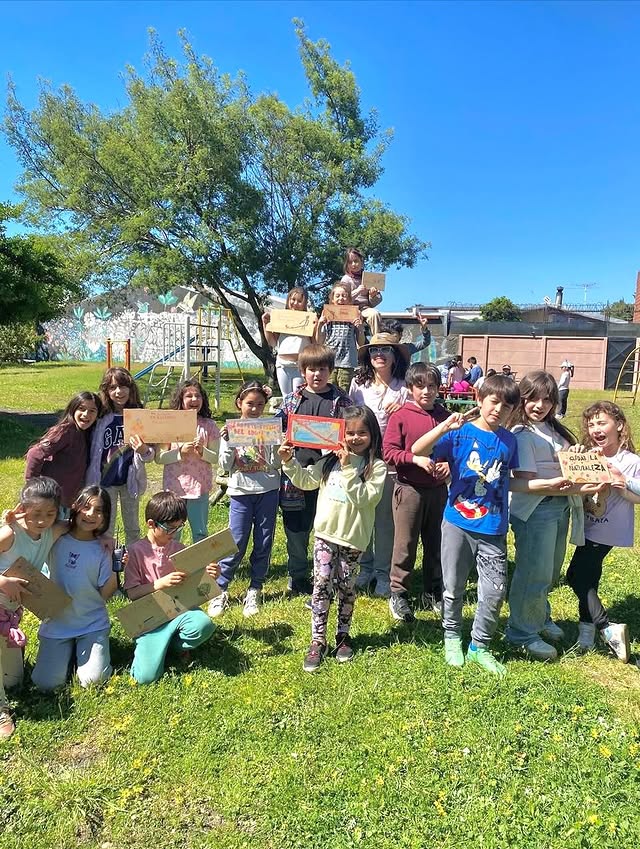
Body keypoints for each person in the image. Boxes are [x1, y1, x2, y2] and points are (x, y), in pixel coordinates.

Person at [411, 375, 521, 676]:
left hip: (494, 528)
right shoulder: (459, 434)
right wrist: (444, 426)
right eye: (494, 401)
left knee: (495, 590)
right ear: (479, 399)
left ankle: (479, 646)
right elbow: (418, 450)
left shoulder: (510, 441)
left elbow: (511, 478)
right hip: (457, 523)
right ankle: (451, 636)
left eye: (506, 406)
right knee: (453, 587)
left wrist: (554, 483)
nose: (498, 409)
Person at [279, 406, 386, 671]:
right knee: (321, 585)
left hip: (353, 538)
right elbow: (306, 482)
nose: (355, 438)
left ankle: (342, 636)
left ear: (372, 434)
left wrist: (349, 467)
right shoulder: (329, 460)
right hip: (326, 534)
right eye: (349, 432)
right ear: (341, 433)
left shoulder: (377, 467)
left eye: (362, 432)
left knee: (346, 587)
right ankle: (317, 640)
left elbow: (364, 499)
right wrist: (288, 462)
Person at [505, 371, 596, 660]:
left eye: (547, 399)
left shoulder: (555, 430)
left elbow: (570, 465)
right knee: (533, 572)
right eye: (532, 398)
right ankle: (521, 632)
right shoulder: (522, 434)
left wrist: (578, 453)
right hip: (536, 510)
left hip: (560, 506)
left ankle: (539, 616)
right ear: (522, 399)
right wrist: (556, 484)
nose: (539, 405)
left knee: (549, 571)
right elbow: (526, 482)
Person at [565, 402, 640, 661]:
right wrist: (574, 456)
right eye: (591, 424)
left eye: (602, 423)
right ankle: (586, 634)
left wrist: (622, 482)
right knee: (588, 577)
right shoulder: (591, 455)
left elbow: (636, 494)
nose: (595, 428)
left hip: (607, 530)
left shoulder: (629, 461)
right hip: (588, 524)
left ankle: (607, 628)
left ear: (619, 425)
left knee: (575, 576)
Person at [276, 344, 353, 595]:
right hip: (295, 474)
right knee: (296, 528)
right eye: (311, 369)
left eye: (322, 369)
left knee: (329, 526)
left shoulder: (342, 402)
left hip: (330, 475)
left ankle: (327, 574)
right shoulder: (290, 401)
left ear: (330, 370)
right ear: (302, 371)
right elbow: (272, 430)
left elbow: (353, 434)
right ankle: (297, 576)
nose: (316, 374)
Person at [123, 491, 220, 684]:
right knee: (145, 678)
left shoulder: (180, 549)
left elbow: (197, 587)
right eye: (169, 528)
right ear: (151, 524)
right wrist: (160, 584)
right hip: (150, 621)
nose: (173, 533)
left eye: (178, 527)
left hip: (180, 612)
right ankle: (158, 646)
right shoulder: (135, 552)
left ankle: (175, 645)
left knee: (204, 625)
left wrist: (209, 575)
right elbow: (132, 593)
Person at [0, 478, 69, 737]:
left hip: (10, 611)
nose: (42, 520)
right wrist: (3, 581)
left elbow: (81, 524)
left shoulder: (51, 531)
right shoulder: (9, 533)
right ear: (22, 508)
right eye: (36, 513)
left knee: (14, 682)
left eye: (50, 513)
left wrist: (104, 539)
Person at [31, 486, 117, 690]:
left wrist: (117, 565)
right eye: (86, 507)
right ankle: (66, 654)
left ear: (105, 517)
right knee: (45, 684)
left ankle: (84, 654)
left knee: (93, 681)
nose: (90, 514)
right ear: (75, 507)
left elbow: (105, 594)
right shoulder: (55, 537)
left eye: (98, 510)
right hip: (57, 623)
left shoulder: (104, 548)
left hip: (91, 623)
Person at [384, 362, 450, 622]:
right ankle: (399, 593)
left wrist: (449, 466)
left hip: (438, 491)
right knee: (405, 543)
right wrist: (414, 459)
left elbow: (455, 450)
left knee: (437, 543)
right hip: (409, 489)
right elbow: (388, 452)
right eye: (420, 386)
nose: (426, 391)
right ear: (410, 388)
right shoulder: (400, 416)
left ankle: (433, 590)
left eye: (432, 386)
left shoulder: (445, 417)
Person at [209, 382, 281, 618]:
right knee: (236, 540)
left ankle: (255, 588)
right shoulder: (230, 430)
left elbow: (277, 463)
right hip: (240, 491)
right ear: (240, 403)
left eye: (260, 404)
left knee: (263, 540)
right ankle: (220, 588)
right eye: (250, 403)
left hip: (268, 490)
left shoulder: (270, 428)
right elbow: (224, 466)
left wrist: (277, 447)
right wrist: (229, 442)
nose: (255, 409)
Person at [349, 333, 410, 597]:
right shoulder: (358, 385)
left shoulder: (405, 386)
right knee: (361, 516)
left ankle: (383, 574)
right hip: (362, 458)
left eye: (386, 349)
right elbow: (350, 418)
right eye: (374, 350)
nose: (379, 354)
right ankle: (365, 568)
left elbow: (414, 423)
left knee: (385, 520)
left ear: (395, 355)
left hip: (390, 462)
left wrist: (403, 410)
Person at [86, 367, 154, 545]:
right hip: (105, 481)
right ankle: (107, 566)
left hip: (129, 481)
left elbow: (150, 454)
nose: (118, 392)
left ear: (131, 388)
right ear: (106, 391)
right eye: (113, 387)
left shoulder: (139, 415)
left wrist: (144, 450)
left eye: (123, 386)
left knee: (132, 527)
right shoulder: (101, 416)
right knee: (106, 526)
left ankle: (133, 565)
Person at [156, 378, 220, 543]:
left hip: (199, 488)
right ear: (180, 400)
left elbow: (215, 457)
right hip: (174, 488)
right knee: (172, 533)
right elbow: (159, 457)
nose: (194, 400)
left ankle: (198, 567)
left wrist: (202, 451)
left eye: (198, 396)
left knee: (200, 532)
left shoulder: (209, 425)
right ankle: (172, 565)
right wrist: (180, 453)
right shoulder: (170, 424)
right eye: (189, 396)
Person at [25, 391, 102, 513]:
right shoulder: (65, 431)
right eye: (81, 409)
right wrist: (32, 486)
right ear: (73, 410)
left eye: (92, 411)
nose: (86, 414)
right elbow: (34, 453)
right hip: (51, 501)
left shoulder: (85, 434)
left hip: (68, 501)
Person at [262, 287, 312, 397]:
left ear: (305, 303)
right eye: (293, 300)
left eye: (299, 301)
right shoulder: (281, 318)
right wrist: (265, 324)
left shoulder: (310, 320)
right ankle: (287, 415)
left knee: (298, 396)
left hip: (300, 365)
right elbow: (272, 342)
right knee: (286, 397)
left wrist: (317, 325)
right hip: (282, 365)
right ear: (288, 300)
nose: (295, 303)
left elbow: (315, 343)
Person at [315, 282, 366, 392]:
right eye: (337, 296)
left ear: (349, 299)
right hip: (329, 362)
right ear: (332, 299)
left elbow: (361, 343)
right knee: (328, 392)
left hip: (347, 363)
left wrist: (360, 328)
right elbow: (319, 341)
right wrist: (319, 325)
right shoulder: (326, 314)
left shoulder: (355, 315)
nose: (341, 299)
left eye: (344, 296)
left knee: (344, 393)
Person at [340, 247, 382, 336]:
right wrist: (358, 291)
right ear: (347, 264)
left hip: (365, 308)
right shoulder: (345, 279)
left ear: (361, 262)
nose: (354, 264)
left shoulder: (368, 277)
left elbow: (376, 301)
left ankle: (377, 341)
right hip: (350, 309)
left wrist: (372, 296)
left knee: (375, 314)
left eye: (356, 261)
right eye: (350, 262)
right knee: (356, 321)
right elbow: (343, 300)